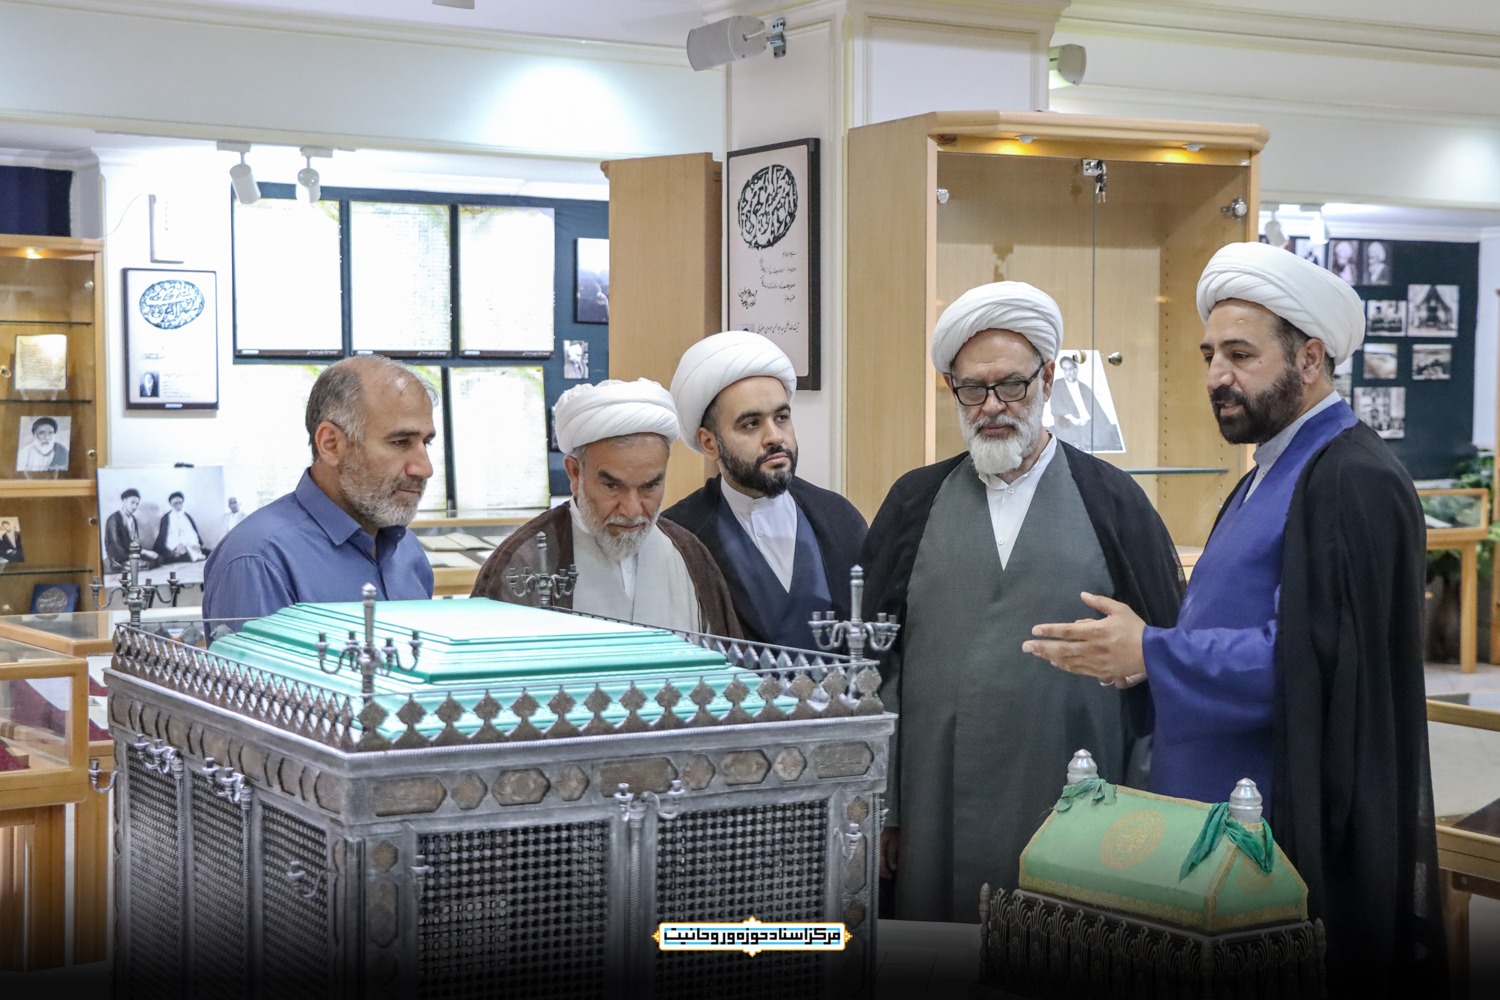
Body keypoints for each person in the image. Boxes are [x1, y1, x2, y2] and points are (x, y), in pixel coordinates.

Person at [1024, 241, 1445, 994]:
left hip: (1284, 824)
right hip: (1213, 816)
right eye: (1210, 354)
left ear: (1309, 358)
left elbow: (1321, 662)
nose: (1218, 375)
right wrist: (1135, 655)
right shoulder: (1271, 471)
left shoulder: (1350, 477)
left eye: (1241, 355)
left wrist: (1153, 652)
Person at [859, 281, 1184, 923]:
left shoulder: (1114, 503)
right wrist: (884, 806)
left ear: (1049, 378)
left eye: (1012, 385)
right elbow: (876, 666)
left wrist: (1150, 807)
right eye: (972, 389)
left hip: (1077, 798)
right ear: (951, 387)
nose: (992, 406)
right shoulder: (912, 504)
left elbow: (1165, 666)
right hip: (933, 804)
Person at [471, 378, 740, 636]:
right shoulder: (524, 562)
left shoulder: (690, 556)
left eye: (649, 486)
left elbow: (730, 661)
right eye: (612, 486)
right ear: (575, 473)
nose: (633, 510)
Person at [663, 331, 867, 649]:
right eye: (751, 424)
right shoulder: (678, 535)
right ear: (709, 443)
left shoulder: (839, 517)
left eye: (781, 418)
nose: (774, 437)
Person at [203, 355, 437, 623]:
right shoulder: (260, 561)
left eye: (426, 443)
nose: (425, 468)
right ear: (331, 444)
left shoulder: (406, 551)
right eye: (400, 442)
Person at [1047, 353, 1124, 452]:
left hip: (1087, 421)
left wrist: (1090, 419)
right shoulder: (1058, 384)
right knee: (1069, 437)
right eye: (1065, 370)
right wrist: (1073, 418)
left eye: (1070, 369)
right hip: (1068, 421)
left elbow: (1096, 408)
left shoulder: (1084, 387)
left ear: (1076, 370)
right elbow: (1056, 405)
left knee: (1103, 433)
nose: (1068, 372)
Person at [104, 488, 160, 572]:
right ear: (124, 500)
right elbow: (115, 544)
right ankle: (128, 566)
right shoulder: (113, 519)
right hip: (119, 557)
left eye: (137, 504)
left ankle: (137, 565)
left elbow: (135, 542)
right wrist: (130, 557)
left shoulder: (133, 519)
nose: (134, 506)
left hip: (133, 554)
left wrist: (144, 552)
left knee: (157, 558)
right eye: (132, 502)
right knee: (144, 565)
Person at [155, 491, 209, 563]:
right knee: (177, 555)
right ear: (171, 504)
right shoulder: (166, 518)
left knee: (207, 552)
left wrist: (194, 543)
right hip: (174, 546)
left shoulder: (186, 516)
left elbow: (191, 533)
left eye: (180, 503)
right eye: (175, 503)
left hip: (189, 543)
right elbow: (167, 537)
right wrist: (177, 545)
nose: (178, 505)